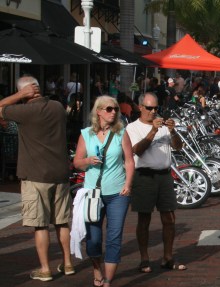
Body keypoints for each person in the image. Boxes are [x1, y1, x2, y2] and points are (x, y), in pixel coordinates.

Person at [0, 76, 73, 281]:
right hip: (60, 173)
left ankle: (45, 268)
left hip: (35, 175)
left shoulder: (24, 111)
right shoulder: (57, 107)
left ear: (26, 92)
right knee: (62, 222)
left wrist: (19, 96)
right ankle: (67, 264)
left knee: (40, 224)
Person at [73, 96, 134, 287]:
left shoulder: (121, 133)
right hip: (93, 194)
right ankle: (97, 269)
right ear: (98, 111)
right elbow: (76, 162)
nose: (114, 112)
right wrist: (87, 161)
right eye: (109, 109)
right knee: (94, 238)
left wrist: (128, 183)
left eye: (115, 109)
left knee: (114, 236)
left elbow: (129, 161)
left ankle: (108, 280)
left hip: (118, 193)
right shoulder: (86, 134)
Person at [126, 92, 187, 273]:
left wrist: (173, 131)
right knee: (144, 218)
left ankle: (168, 257)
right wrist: (153, 131)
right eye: (150, 108)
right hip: (144, 175)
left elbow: (178, 146)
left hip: (164, 175)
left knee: (169, 218)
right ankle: (144, 259)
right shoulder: (132, 128)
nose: (153, 112)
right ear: (140, 108)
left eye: (156, 108)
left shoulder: (163, 125)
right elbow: (137, 150)